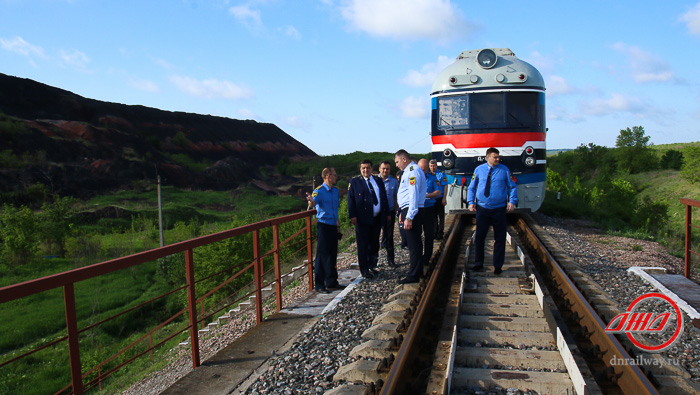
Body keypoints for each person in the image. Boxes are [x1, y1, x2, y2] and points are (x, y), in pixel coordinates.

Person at [467, 148, 518, 275]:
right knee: (480, 237)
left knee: (500, 238)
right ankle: (479, 263)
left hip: (499, 209)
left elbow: (512, 187)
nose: (497, 159)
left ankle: (498, 266)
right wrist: (470, 202)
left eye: (498, 157)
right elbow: (472, 187)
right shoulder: (479, 170)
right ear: (487, 157)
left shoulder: (504, 170)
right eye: (495, 157)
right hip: (482, 209)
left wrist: (512, 201)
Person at [348, 160, 391, 279]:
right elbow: (350, 200)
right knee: (363, 245)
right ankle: (365, 269)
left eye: (367, 168)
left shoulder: (378, 181)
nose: (365, 170)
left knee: (374, 243)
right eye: (363, 168)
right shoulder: (355, 182)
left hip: (377, 218)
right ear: (360, 169)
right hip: (362, 219)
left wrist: (386, 213)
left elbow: (383, 198)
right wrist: (353, 216)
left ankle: (372, 266)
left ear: (372, 169)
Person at [306, 168, 341, 293]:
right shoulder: (319, 191)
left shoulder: (335, 191)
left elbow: (335, 210)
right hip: (324, 226)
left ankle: (332, 282)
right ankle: (319, 284)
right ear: (327, 176)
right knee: (322, 255)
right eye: (335, 175)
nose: (336, 177)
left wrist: (338, 227)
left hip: (333, 225)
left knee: (332, 254)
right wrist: (310, 201)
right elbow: (313, 203)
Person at [394, 150, 426, 284]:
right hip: (407, 209)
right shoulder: (409, 171)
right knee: (416, 244)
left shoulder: (412, 171)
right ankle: (418, 271)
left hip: (411, 210)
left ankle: (413, 275)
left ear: (404, 159)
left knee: (413, 244)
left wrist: (409, 216)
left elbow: (413, 195)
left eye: (397, 162)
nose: (396, 165)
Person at [419, 159, 441, 267]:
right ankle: (418, 257)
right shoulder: (414, 178)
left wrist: (426, 196)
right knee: (417, 235)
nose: (423, 171)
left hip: (428, 209)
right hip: (418, 209)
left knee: (429, 234)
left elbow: (438, 192)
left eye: (425, 169)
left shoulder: (433, 178)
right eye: (421, 169)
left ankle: (427, 257)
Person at [378, 160, 399, 267]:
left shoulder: (394, 182)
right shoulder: (374, 181)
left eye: (387, 169)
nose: (385, 170)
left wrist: (395, 210)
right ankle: (373, 262)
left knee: (389, 237)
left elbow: (396, 197)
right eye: (383, 168)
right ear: (379, 169)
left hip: (389, 212)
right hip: (376, 213)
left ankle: (391, 260)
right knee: (374, 237)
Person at [430, 159, 447, 240]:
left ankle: (440, 232)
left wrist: (444, 198)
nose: (432, 168)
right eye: (431, 166)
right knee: (433, 217)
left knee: (441, 216)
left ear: (436, 166)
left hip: (440, 197)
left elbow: (445, 186)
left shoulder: (441, 174)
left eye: (434, 166)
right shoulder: (428, 174)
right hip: (432, 198)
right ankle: (434, 232)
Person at [396, 170, 408, 250]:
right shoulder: (397, 186)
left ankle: (406, 243)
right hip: (400, 210)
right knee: (401, 227)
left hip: (405, 209)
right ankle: (404, 243)